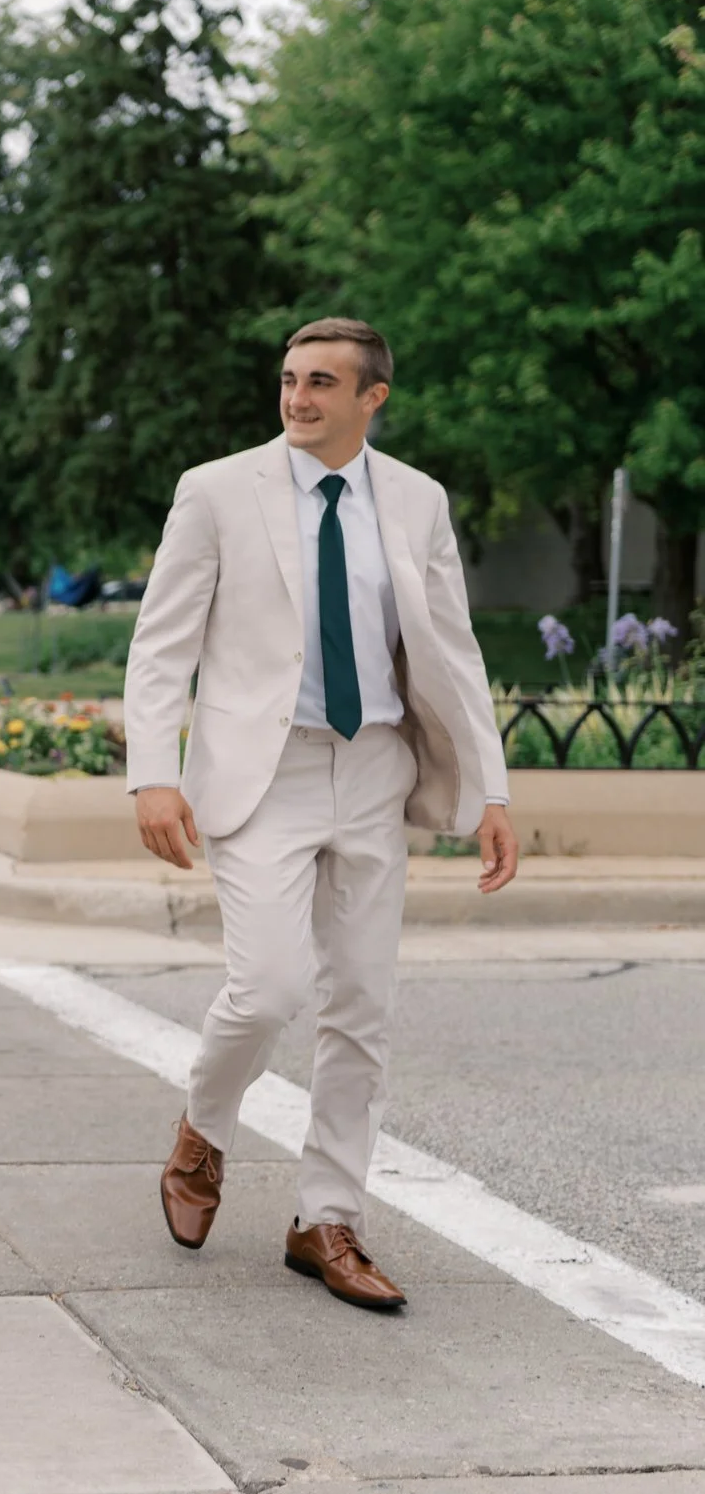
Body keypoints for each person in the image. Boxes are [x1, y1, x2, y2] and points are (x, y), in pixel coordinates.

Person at [127, 317, 517, 1308]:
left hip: (376, 765)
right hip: (265, 773)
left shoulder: (418, 501)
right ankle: (203, 1130)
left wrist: (493, 789)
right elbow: (161, 642)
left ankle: (325, 1217)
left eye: (321, 383)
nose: (297, 398)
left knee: (362, 1006)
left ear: (370, 397)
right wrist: (151, 772)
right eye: (290, 379)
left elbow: (454, 647)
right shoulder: (216, 491)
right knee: (264, 988)